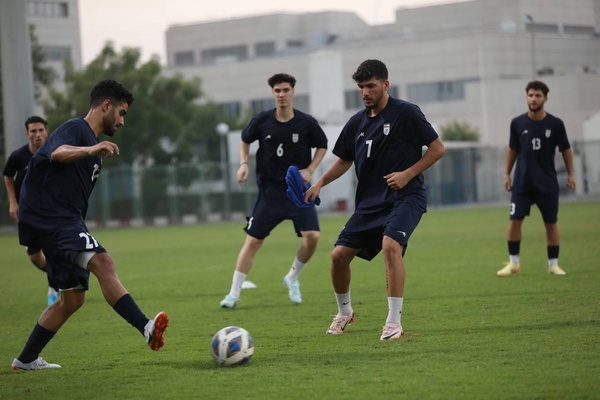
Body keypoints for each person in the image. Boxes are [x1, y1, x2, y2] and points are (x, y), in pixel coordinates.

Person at [11, 79, 169, 371]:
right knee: (104, 263)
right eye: (121, 113)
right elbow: (56, 153)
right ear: (106, 105)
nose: (122, 121)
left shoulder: (93, 144)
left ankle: (26, 359)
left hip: (61, 220)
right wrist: (90, 149)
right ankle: (146, 327)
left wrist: (93, 151)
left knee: (72, 300)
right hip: (52, 218)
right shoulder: (77, 129)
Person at [305, 59, 445, 340]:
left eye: (371, 86)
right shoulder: (356, 121)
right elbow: (344, 160)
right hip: (370, 203)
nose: (366, 92)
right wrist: (319, 182)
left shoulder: (406, 113)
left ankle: (393, 323)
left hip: (407, 196)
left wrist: (408, 174)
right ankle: (345, 312)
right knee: (338, 257)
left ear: (385, 85)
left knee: (391, 246)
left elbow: (437, 148)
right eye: (361, 88)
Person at [220, 73, 328, 309]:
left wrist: (310, 169)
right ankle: (233, 294)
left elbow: (323, 145)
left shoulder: (306, 122)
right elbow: (244, 140)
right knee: (253, 242)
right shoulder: (261, 121)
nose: (281, 94)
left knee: (313, 237)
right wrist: (244, 164)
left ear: (292, 92)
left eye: (285, 90)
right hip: (270, 192)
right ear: (272, 93)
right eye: (277, 90)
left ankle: (291, 278)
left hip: (299, 191)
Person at [497, 80, 576, 277]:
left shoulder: (556, 124)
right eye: (530, 95)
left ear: (545, 99)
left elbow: (566, 149)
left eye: (538, 95)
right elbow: (512, 149)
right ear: (527, 97)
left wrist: (571, 174)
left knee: (551, 223)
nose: (533, 99)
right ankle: (514, 263)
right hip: (522, 183)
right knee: (514, 221)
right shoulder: (517, 123)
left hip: (547, 183)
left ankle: (553, 264)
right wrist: (507, 174)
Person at [3, 116, 59, 305]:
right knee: (35, 257)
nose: (38, 134)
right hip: (27, 214)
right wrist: (12, 201)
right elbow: (8, 175)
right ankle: (59, 278)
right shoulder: (18, 157)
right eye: (33, 131)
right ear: (27, 134)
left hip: (51, 212)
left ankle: (54, 287)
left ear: (46, 131)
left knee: (53, 251)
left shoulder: (56, 152)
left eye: (41, 130)